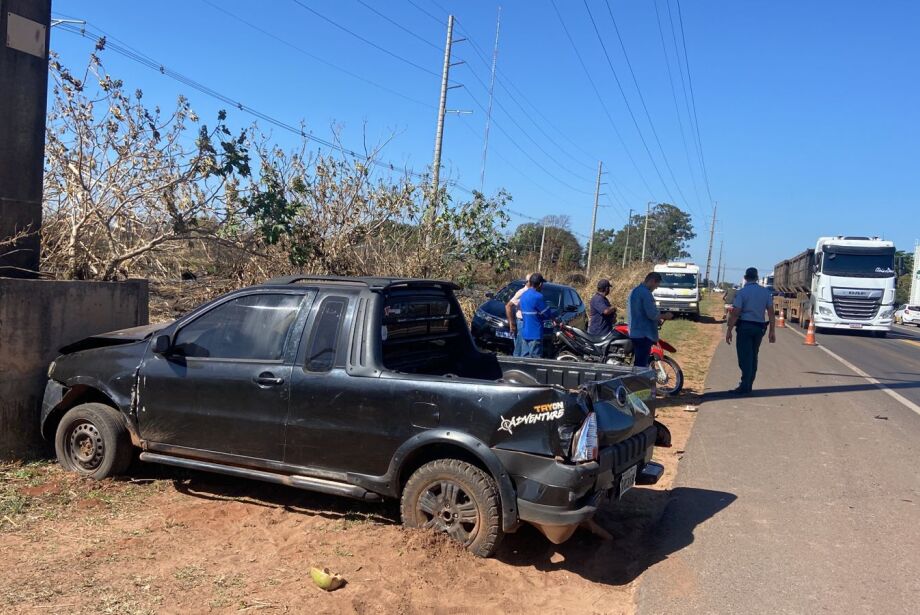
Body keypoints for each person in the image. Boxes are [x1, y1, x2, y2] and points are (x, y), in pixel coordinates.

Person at [725, 267, 776, 395]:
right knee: (753, 355)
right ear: (757, 278)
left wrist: (729, 330)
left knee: (744, 357)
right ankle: (748, 384)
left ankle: (744, 385)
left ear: (745, 278)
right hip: (759, 328)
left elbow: (736, 313)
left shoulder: (742, 293)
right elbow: (771, 313)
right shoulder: (765, 292)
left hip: (745, 327)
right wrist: (772, 331)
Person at [627, 272, 674, 367]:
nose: (655, 288)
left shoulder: (634, 291)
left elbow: (641, 312)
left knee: (639, 362)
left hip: (635, 332)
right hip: (644, 335)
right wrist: (665, 316)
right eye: (656, 285)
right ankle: (638, 377)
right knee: (641, 365)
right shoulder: (645, 293)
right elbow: (652, 314)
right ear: (652, 281)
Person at [518, 273, 558, 358]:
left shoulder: (523, 295)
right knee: (535, 360)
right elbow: (547, 313)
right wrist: (555, 319)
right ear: (540, 284)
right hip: (535, 334)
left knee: (524, 359)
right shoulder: (538, 296)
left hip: (525, 332)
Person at [505, 274, 535, 357]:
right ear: (528, 282)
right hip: (522, 322)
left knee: (526, 348)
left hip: (529, 322)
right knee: (520, 347)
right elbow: (508, 306)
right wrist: (511, 323)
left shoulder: (533, 292)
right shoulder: (522, 292)